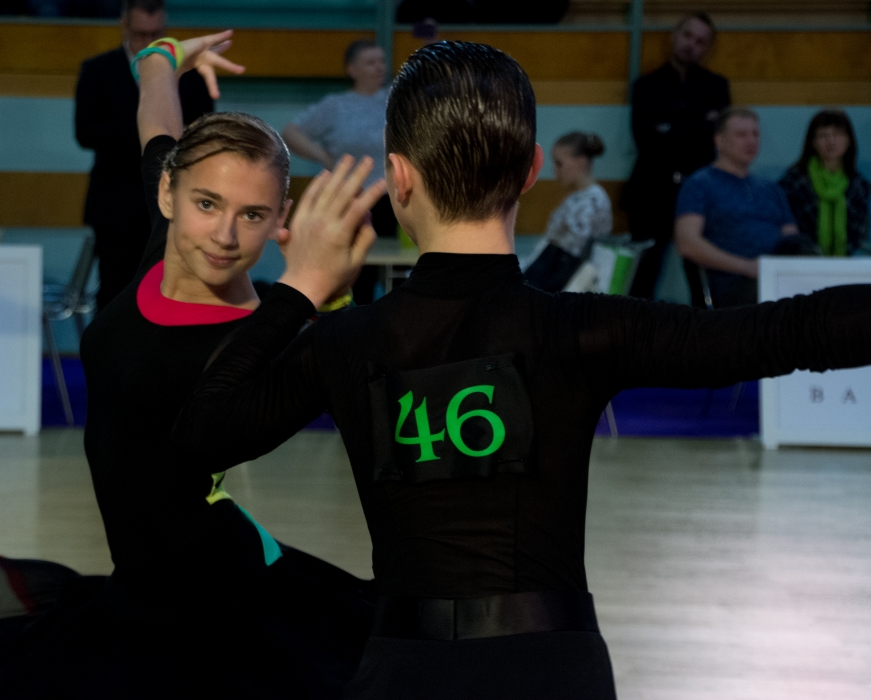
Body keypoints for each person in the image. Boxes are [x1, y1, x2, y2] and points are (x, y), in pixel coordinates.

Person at [170, 41, 871, 699]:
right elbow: (791, 331)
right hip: (556, 669)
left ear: (398, 177)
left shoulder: (347, 341)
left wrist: (298, 288)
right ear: (532, 170)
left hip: (405, 670)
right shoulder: (582, 330)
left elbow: (201, 433)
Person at [0, 32, 374, 700]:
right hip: (139, 587)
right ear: (169, 190)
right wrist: (166, 56)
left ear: (279, 220)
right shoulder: (164, 240)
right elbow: (157, 109)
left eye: (253, 214)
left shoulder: (270, 334)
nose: (225, 235)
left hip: (210, 602)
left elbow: (323, 400)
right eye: (207, 203)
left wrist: (318, 294)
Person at [75, 0, 213, 310]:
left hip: (174, 201)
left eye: (156, 35)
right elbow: (85, 132)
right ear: (123, 25)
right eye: (140, 35)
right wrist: (153, 129)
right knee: (115, 291)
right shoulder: (98, 69)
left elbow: (204, 129)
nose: (149, 43)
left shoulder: (189, 73)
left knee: (172, 290)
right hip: (116, 203)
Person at [623, 11, 730, 301]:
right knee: (643, 277)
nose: (691, 45)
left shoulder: (717, 87)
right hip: (651, 191)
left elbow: (716, 143)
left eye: (700, 41)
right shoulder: (646, 86)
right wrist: (700, 125)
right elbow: (646, 141)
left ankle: (708, 329)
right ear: (674, 35)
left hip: (698, 192)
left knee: (702, 278)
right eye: (687, 35)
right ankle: (634, 329)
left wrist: (669, 128)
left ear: (707, 48)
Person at [282, 40, 394, 303]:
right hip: (350, 199)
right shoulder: (336, 105)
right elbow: (291, 132)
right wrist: (323, 157)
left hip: (392, 200)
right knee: (358, 275)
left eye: (381, 61)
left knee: (395, 273)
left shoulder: (394, 100)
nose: (379, 67)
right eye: (370, 62)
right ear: (352, 69)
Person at [675, 108, 805, 308]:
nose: (751, 141)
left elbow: (792, 239)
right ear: (719, 141)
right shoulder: (700, 184)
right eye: (741, 135)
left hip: (776, 278)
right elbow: (688, 243)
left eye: (755, 134)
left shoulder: (771, 189)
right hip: (733, 285)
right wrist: (747, 267)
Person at [521, 131, 612, 292]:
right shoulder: (578, 197)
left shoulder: (591, 201)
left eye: (559, 164)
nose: (555, 170)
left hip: (564, 282)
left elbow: (573, 256)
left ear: (581, 162)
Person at [779, 109, 871, 257]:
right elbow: (786, 231)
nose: (831, 141)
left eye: (838, 134)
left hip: (847, 263)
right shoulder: (794, 181)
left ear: (849, 140)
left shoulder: (860, 185)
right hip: (800, 261)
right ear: (813, 142)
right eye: (823, 135)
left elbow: (859, 236)